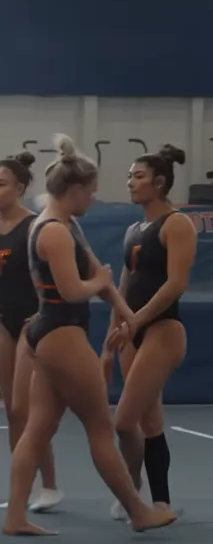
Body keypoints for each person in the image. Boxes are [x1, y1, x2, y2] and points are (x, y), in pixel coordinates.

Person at [1, 134, 177, 536]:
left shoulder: (66, 224)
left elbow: (99, 271)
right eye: (92, 192)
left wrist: (126, 313)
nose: (94, 199)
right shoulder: (52, 232)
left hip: (51, 334)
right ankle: (138, 511)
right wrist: (98, 283)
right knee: (100, 426)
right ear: (76, 189)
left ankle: (14, 517)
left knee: (38, 428)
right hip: (61, 332)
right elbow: (72, 289)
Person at [0, 153, 63, 512]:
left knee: (27, 409)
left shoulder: (38, 227)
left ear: (20, 188)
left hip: (31, 325)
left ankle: (49, 485)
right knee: (12, 412)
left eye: (1, 184)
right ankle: (26, 487)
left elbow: (58, 275)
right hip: (1, 323)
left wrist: (42, 310)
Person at [107, 145, 194, 520]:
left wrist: (137, 321)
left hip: (163, 330)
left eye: (137, 176)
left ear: (159, 183)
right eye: (129, 176)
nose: (130, 182)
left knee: (124, 420)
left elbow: (175, 284)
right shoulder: (133, 229)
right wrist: (117, 325)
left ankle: (131, 490)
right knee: (149, 421)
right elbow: (125, 283)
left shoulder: (177, 224)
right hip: (134, 329)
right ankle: (160, 501)